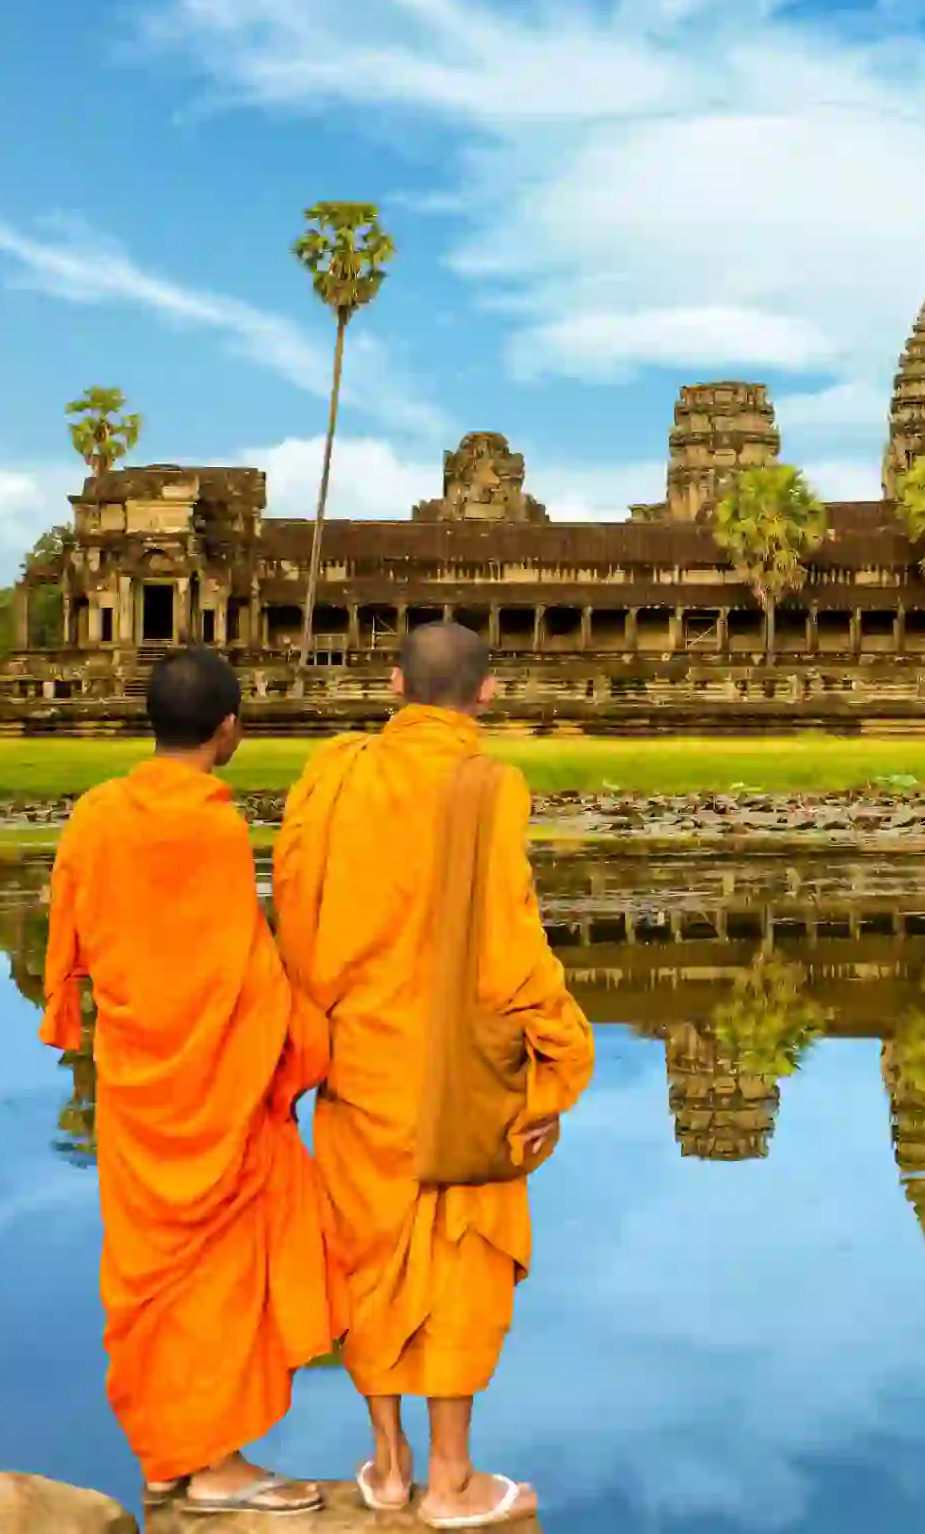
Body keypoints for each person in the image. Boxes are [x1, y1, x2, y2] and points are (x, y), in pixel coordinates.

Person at [274, 623, 594, 1527]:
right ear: (486, 695)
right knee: (458, 1252)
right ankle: (451, 1476)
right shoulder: (488, 786)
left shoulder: (334, 775)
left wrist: (311, 1025)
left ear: (392, 683)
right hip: (457, 1072)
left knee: (366, 1248)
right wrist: (560, 1063)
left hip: (357, 1058)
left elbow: (295, 908)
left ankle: (387, 1459)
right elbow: (511, 946)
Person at [39, 645, 339, 1512]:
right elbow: (240, 969)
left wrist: (73, 1012)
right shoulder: (211, 824)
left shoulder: (97, 812)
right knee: (220, 1268)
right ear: (229, 728)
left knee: (154, 1271)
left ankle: (172, 1452)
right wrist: (306, 1038)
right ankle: (211, 1461)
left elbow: (74, 932)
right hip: (212, 1090)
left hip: (136, 1082)